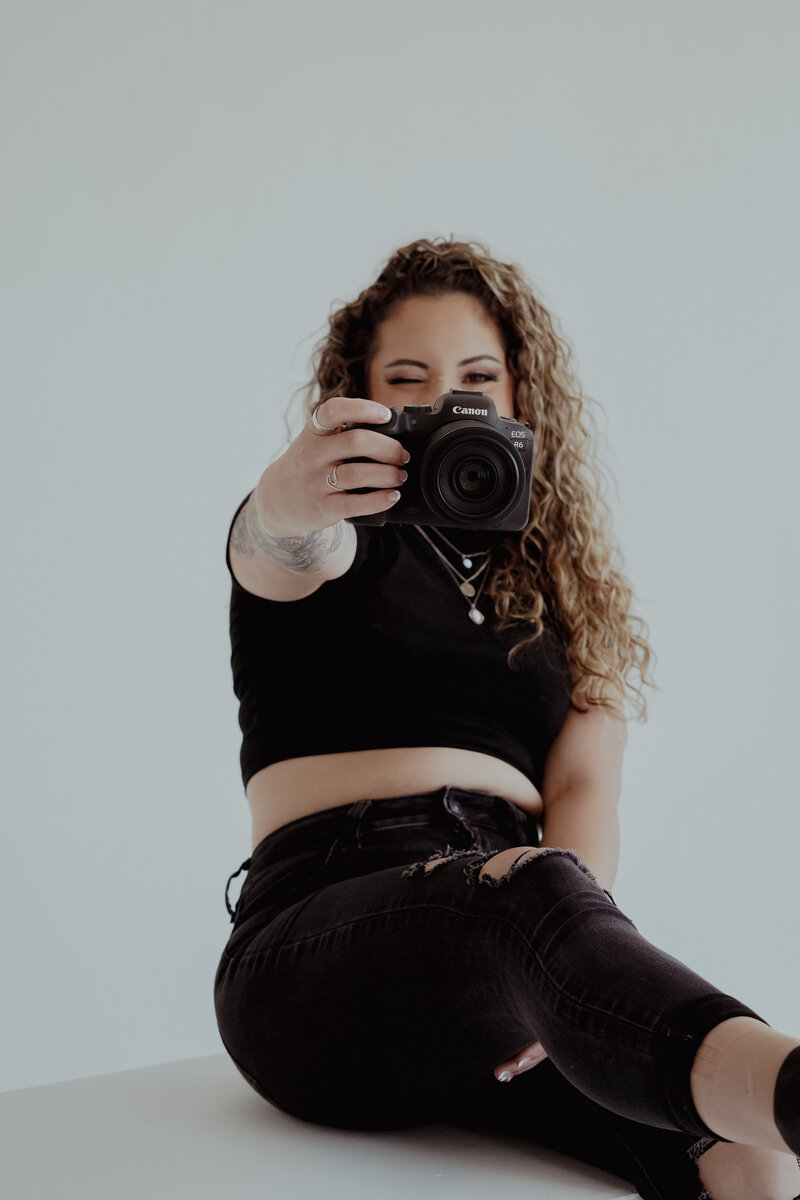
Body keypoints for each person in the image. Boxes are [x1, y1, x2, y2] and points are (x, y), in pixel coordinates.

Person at [214, 237, 800, 1200]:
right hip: (319, 950)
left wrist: (562, 976)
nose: (451, 403)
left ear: (522, 400)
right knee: (528, 890)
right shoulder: (335, 538)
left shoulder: (573, 599)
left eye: (479, 378)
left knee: (751, 1160)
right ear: (358, 399)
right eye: (410, 380)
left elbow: (583, 792)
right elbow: (277, 543)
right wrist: (288, 493)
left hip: (519, 941)